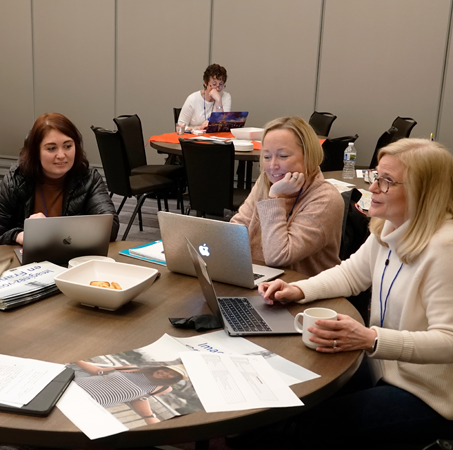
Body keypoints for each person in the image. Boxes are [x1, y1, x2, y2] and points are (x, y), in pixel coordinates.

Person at [258, 138, 453, 449]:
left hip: (430, 394)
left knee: (316, 424)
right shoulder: (389, 227)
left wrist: (371, 339)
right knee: (296, 395)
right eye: (376, 176)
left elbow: (449, 341)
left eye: (387, 181)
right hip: (384, 367)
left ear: (423, 190)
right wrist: (297, 289)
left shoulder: (445, 249)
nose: (373, 188)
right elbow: (350, 274)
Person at [230, 116, 344, 277]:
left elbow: (278, 257)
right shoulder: (265, 182)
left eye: (283, 156)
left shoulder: (326, 199)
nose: (272, 165)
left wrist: (275, 198)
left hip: (301, 289)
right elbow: (237, 229)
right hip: (260, 279)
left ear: (308, 156)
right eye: (267, 156)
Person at [0, 112, 119, 245]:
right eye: (52, 148)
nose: (61, 155)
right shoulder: (15, 180)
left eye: (68, 146)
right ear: (36, 152)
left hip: (74, 259)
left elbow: (110, 227)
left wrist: (53, 230)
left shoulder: (89, 178)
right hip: (27, 261)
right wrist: (17, 235)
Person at [73, 360, 185, 424]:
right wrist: (76, 359)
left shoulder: (163, 388)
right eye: (166, 370)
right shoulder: (135, 369)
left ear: (174, 379)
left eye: (172, 374)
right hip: (74, 389)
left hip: (90, 406)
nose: (165, 373)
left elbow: (139, 398)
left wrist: (150, 417)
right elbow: (98, 371)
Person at [177, 63, 232, 130]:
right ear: (205, 83)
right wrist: (199, 128)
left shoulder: (226, 97)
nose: (217, 88)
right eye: (214, 84)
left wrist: (218, 100)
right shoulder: (192, 99)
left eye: (221, 84)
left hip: (216, 138)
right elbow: (180, 127)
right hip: (194, 138)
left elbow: (222, 125)